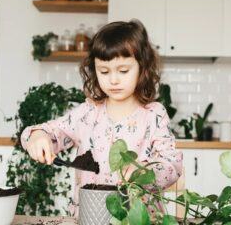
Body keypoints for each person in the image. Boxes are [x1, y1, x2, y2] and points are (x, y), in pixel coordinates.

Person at [21, 19, 183, 214]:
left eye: (123, 71)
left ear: (143, 68)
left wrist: (145, 173)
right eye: (104, 71)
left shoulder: (153, 115)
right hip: (89, 221)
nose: (113, 80)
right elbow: (50, 132)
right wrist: (38, 136)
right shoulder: (87, 113)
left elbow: (172, 164)